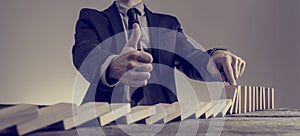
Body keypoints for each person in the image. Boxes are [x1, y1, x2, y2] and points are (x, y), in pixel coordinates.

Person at [72, 0, 246, 105]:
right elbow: (84, 52)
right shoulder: (91, 18)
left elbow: (193, 59)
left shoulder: (168, 24)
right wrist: (111, 65)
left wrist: (216, 57)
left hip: (163, 122)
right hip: (104, 119)